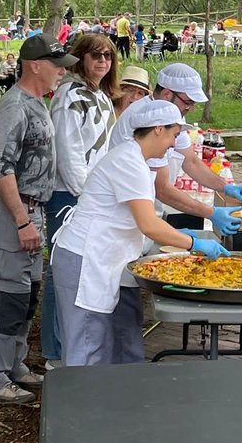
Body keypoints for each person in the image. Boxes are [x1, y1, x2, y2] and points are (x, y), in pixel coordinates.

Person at [51, 102, 229, 365]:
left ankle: (103, 401)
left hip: (102, 257)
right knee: (86, 348)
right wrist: (193, 243)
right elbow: (148, 224)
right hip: (86, 259)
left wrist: (178, 234)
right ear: (158, 129)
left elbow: (138, 220)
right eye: (174, 133)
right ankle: (81, 403)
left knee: (102, 343)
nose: (174, 142)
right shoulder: (128, 161)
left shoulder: (135, 159)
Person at [0, 33, 76, 404]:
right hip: (15, 212)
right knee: (8, 294)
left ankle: (12, 364)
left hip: (33, 209)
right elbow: (2, 169)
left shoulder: (36, 103)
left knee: (27, 293)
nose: (61, 74)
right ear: (36, 65)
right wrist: (21, 220)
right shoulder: (14, 106)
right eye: (57, 66)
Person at [42, 33, 119, 369]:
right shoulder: (70, 96)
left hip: (91, 197)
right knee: (63, 273)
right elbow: (68, 152)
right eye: (96, 55)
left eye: (108, 56)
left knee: (81, 273)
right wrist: (86, 196)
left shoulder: (98, 95)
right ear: (81, 57)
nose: (103, 62)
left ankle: (75, 347)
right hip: (70, 196)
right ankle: (56, 351)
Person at [108, 63, 242, 235]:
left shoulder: (169, 115)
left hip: (140, 217)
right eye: (188, 102)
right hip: (122, 219)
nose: (190, 108)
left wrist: (225, 187)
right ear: (167, 94)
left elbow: (190, 161)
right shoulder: (148, 119)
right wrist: (211, 214)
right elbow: (161, 188)